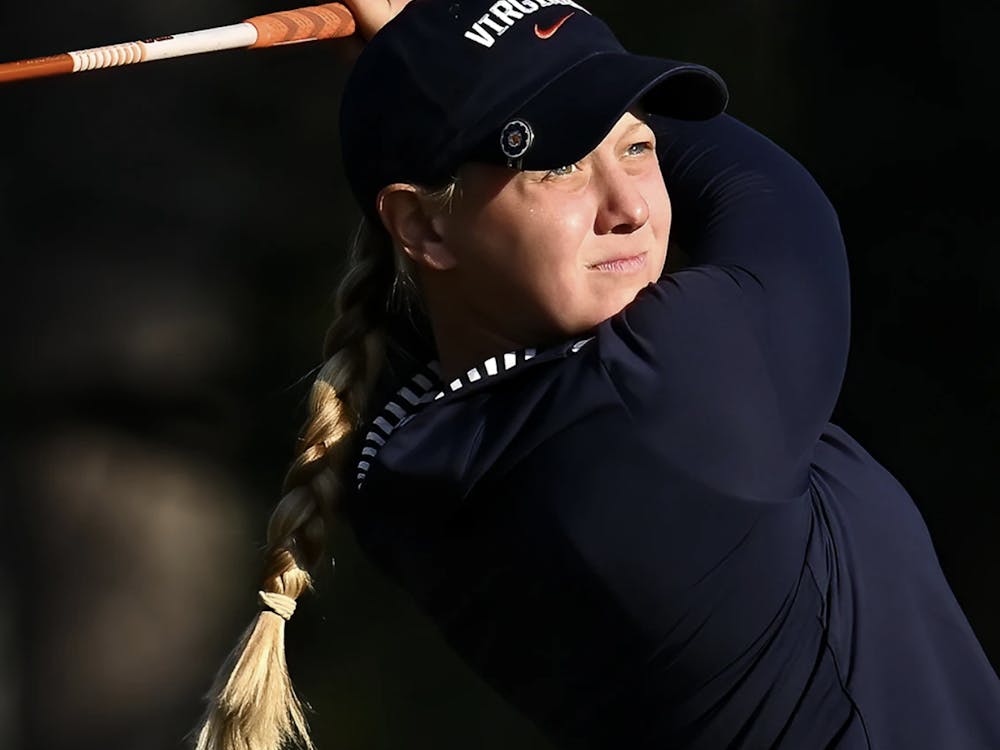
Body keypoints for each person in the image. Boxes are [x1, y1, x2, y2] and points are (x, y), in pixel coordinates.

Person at [193, 1, 1000, 748]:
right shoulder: (669, 397)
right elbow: (776, 201)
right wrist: (430, 20)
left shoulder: (399, 462)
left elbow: (453, 284)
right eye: (559, 167)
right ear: (420, 225)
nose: (631, 207)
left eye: (638, 145)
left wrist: (437, 47)